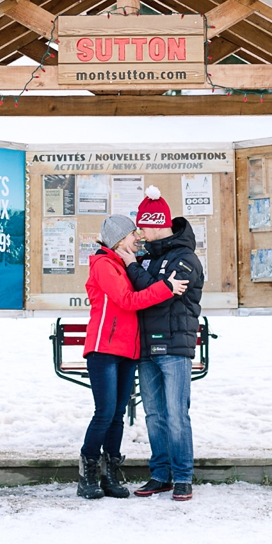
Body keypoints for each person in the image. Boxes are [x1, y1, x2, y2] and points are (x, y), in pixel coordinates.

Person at [79, 213, 188, 500]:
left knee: (117, 416)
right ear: (118, 240)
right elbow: (128, 301)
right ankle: (88, 472)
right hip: (104, 348)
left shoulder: (125, 264)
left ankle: (111, 473)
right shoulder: (104, 265)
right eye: (132, 235)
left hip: (128, 350)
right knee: (104, 413)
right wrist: (166, 288)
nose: (137, 238)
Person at [120, 186, 204, 502]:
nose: (139, 233)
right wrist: (140, 270)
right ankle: (161, 474)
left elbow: (158, 296)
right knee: (154, 414)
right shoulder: (150, 259)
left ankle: (182, 477)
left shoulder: (186, 258)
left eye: (142, 226)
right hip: (146, 347)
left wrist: (133, 267)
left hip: (174, 348)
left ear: (156, 224)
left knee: (176, 414)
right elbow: (150, 292)